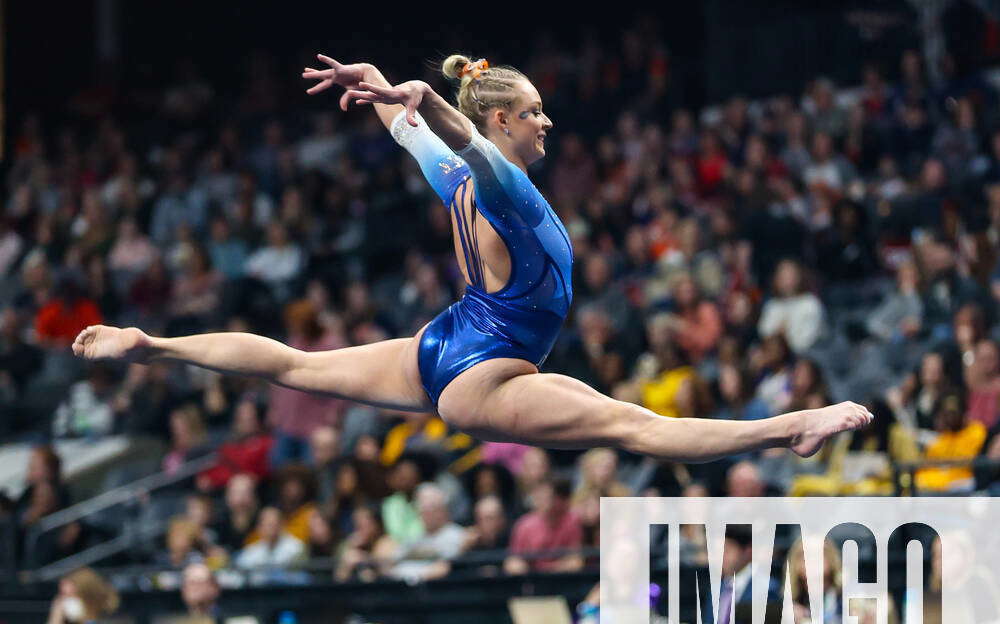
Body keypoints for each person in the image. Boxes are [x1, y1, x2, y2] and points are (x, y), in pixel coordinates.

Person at [73, 54, 872, 467]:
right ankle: (791, 428)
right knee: (634, 427)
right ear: (498, 121)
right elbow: (467, 144)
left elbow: (414, 136)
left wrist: (389, 89)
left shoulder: (459, 179)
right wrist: (431, 101)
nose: (546, 121)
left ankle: (152, 344)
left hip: (445, 342)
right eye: (531, 113)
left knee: (294, 365)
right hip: (484, 372)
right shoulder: (504, 183)